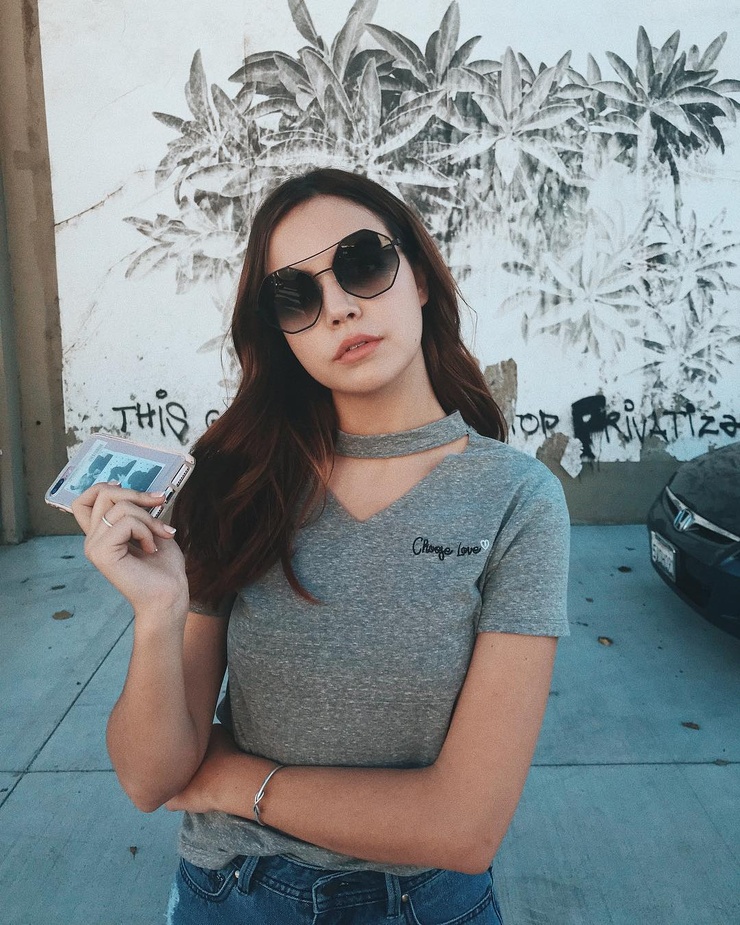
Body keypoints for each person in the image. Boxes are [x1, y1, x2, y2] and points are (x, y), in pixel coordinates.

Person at [71, 168, 570, 924]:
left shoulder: (516, 499)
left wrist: (236, 782)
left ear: (420, 278)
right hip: (230, 894)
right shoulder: (240, 483)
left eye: (363, 263)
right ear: (281, 331)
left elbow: (463, 826)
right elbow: (150, 778)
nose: (338, 306)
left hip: (424, 903)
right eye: (296, 296)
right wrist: (159, 611)